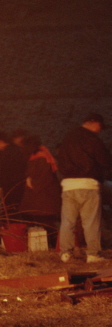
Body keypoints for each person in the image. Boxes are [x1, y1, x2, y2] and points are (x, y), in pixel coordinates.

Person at [56, 113, 112, 263]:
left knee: (67, 221)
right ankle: (93, 254)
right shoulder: (92, 139)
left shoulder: (67, 138)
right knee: (91, 222)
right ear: (93, 123)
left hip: (68, 185)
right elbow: (105, 160)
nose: (99, 130)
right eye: (100, 126)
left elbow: (60, 162)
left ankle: (65, 254)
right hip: (88, 184)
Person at [18, 135, 60, 249]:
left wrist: (32, 183)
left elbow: (44, 178)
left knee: (46, 224)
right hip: (41, 198)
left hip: (43, 199)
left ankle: (54, 246)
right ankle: (50, 245)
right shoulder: (38, 156)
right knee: (44, 223)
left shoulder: (40, 158)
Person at [0, 132, 28, 215]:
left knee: (10, 210)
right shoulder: (18, 150)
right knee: (18, 208)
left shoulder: (4, 154)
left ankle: (13, 226)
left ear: (0, 142)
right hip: (20, 184)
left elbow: (0, 171)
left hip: (9, 187)